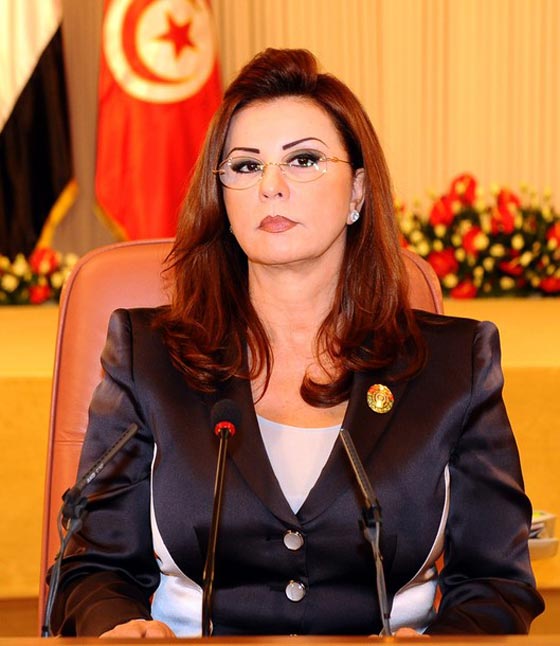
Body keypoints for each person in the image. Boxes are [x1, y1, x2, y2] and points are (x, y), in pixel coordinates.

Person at [50, 48, 544, 638]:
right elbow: (93, 569)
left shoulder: (454, 365)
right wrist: (122, 626)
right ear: (221, 197)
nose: (271, 187)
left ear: (358, 192)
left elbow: (495, 583)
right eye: (246, 166)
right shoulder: (149, 357)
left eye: (303, 160)